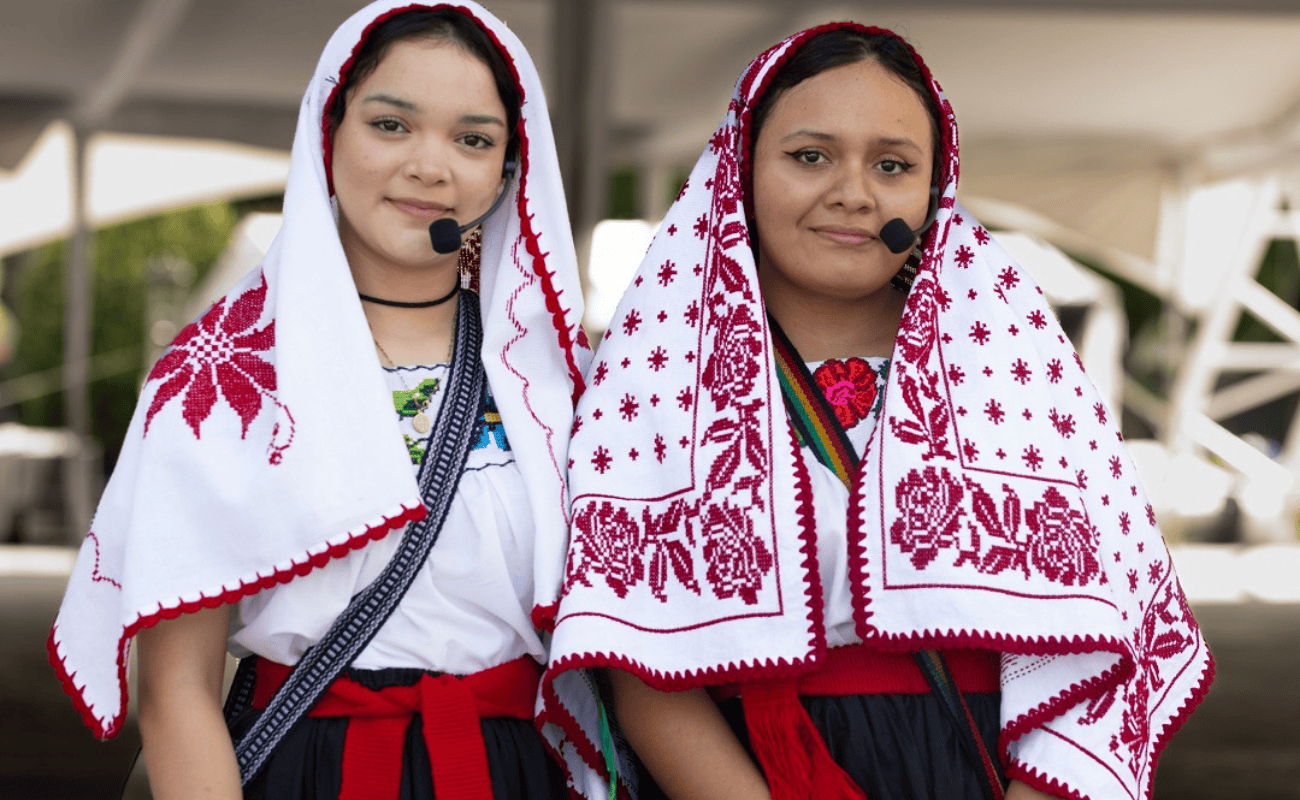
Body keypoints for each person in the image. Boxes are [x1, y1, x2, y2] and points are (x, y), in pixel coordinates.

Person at [541, 22, 1213, 800]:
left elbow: (1109, 641)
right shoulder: (656, 375)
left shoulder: (1012, 362)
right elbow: (637, 661)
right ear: (739, 172)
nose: (853, 193)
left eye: (892, 165)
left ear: (934, 186)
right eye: (809, 156)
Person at [48, 2, 589, 798]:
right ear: (325, 132)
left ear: (509, 168)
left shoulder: (556, 386)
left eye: (474, 139)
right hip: (308, 771)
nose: (431, 167)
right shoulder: (220, 376)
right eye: (392, 125)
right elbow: (177, 692)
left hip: (509, 773)